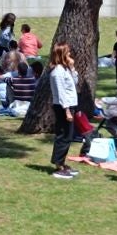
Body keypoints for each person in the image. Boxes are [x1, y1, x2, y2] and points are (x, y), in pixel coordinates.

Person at [45, 44, 81, 179]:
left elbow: (75, 82)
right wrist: (67, 111)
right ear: (61, 55)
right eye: (67, 53)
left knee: (68, 136)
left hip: (70, 105)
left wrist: (72, 68)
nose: (70, 55)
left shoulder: (65, 69)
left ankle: (62, 162)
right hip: (63, 107)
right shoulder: (57, 72)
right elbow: (61, 93)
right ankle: (58, 165)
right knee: (63, 136)